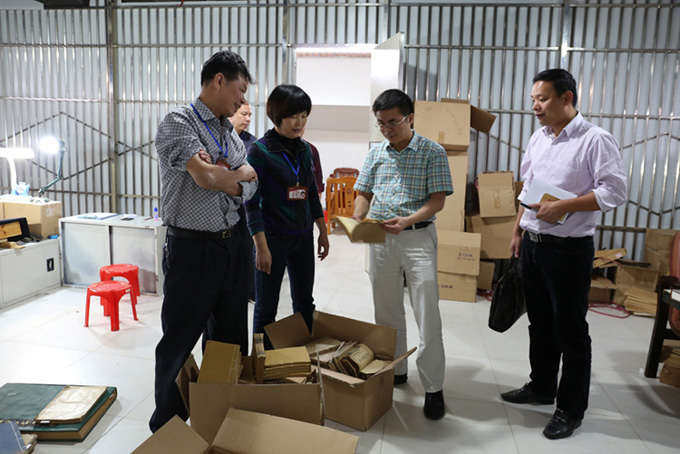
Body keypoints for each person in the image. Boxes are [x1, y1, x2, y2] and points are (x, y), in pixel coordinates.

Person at [501, 68, 627, 439]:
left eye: (542, 99)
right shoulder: (538, 138)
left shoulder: (595, 139)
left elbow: (615, 191)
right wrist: (518, 230)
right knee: (539, 323)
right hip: (534, 245)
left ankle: (570, 408)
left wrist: (565, 206)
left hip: (569, 250)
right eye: (533, 100)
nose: (535, 106)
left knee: (570, 331)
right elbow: (528, 187)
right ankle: (542, 386)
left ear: (566, 97)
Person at [149, 50, 257, 433]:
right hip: (192, 250)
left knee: (230, 342)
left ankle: (220, 421)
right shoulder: (180, 122)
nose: (242, 101)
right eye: (240, 90)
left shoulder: (229, 132)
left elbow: (251, 182)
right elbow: (206, 178)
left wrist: (229, 177)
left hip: (232, 245)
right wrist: (231, 176)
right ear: (218, 81)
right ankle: (168, 430)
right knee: (179, 342)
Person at [352, 89, 453, 420]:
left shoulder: (432, 152)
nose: (386, 129)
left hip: (417, 238)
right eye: (380, 123)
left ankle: (433, 387)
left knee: (427, 311)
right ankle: (396, 370)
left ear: (410, 118)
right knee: (386, 310)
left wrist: (407, 220)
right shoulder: (375, 153)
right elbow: (364, 192)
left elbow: (437, 201)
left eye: (393, 122)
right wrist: (357, 216)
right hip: (380, 239)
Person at [245, 84, 330, 347]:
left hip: (303, 237)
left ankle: (300, 355)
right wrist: (261, 247)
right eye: (294, 116)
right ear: (277, 115)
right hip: (272, 239)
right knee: (266, 306)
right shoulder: (260, 151)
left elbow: (312, 192)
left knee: (305, 302)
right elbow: (251, 202)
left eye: (304, 116)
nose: (300, 122)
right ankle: (262, 361)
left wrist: (323, 231)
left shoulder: (305, 150)